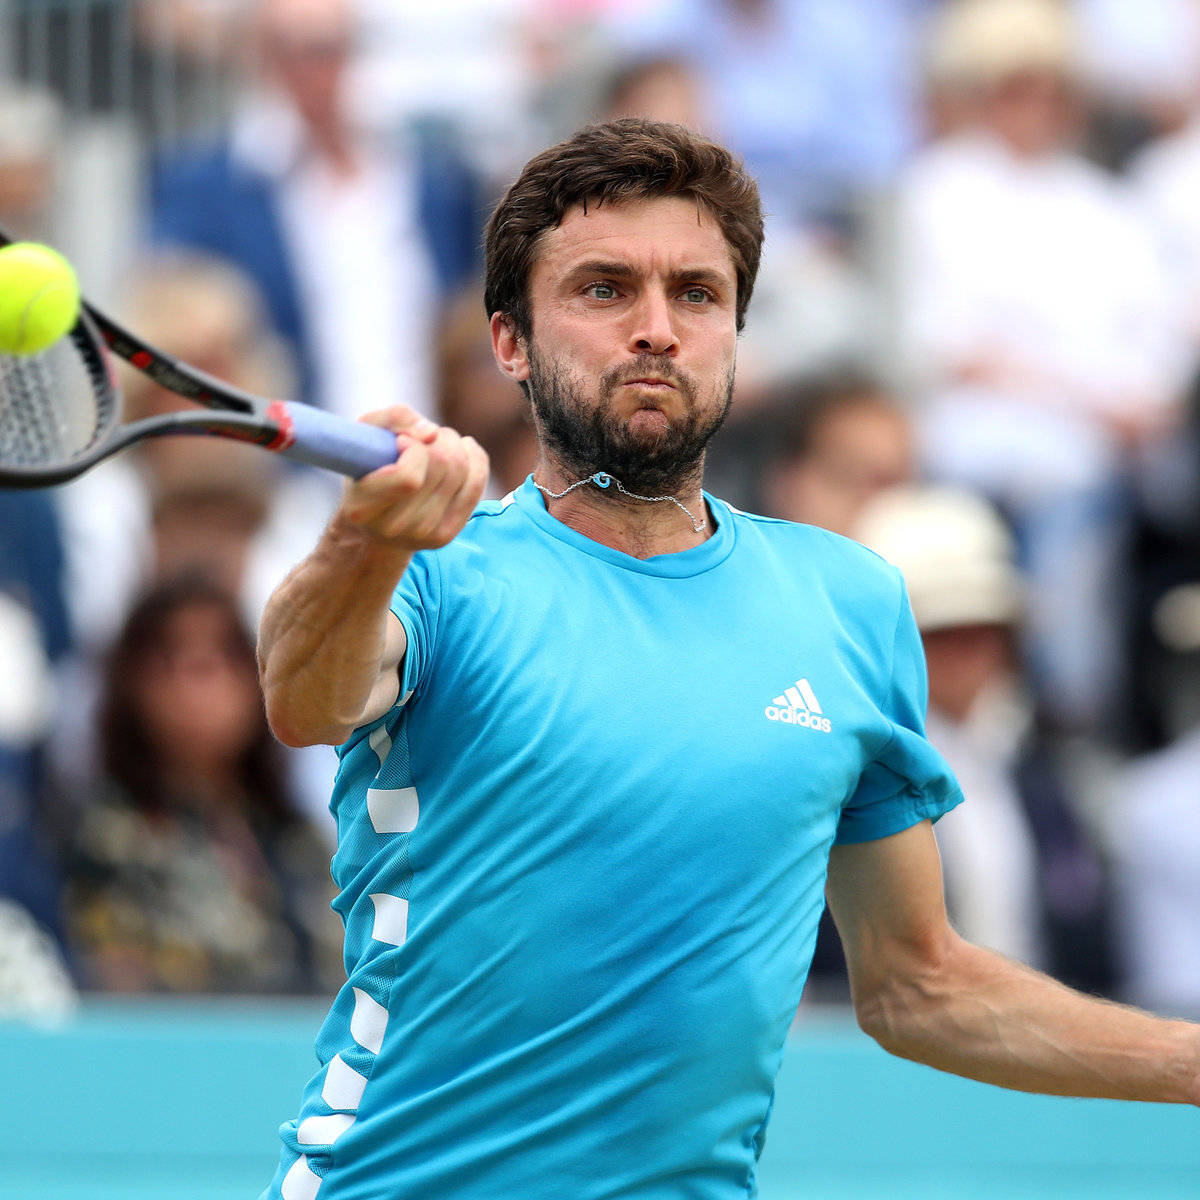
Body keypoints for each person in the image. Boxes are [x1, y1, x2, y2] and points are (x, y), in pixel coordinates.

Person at [257, 119, 1199, 1200]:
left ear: (736, 334)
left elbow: (920, 984)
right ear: (510, 342)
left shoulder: (852, 600)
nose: (656, 329)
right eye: (605, 290)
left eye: (696, 294)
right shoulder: (431, 571)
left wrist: (1188, 1064)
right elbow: (302, 698)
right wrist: (365, 538)